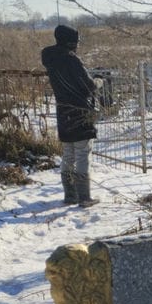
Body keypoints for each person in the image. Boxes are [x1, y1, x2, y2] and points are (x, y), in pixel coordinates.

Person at [41, 24, 98, 207]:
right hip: (80, 110)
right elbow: (87, 85)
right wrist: (98, 83)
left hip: (62, 111)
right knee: (82, 153)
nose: (77, 45)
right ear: (70, 42)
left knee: (68, 154)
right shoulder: (72, 60)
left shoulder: (50, 59)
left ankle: (70, 195)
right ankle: (84, 197)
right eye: (76, 41)